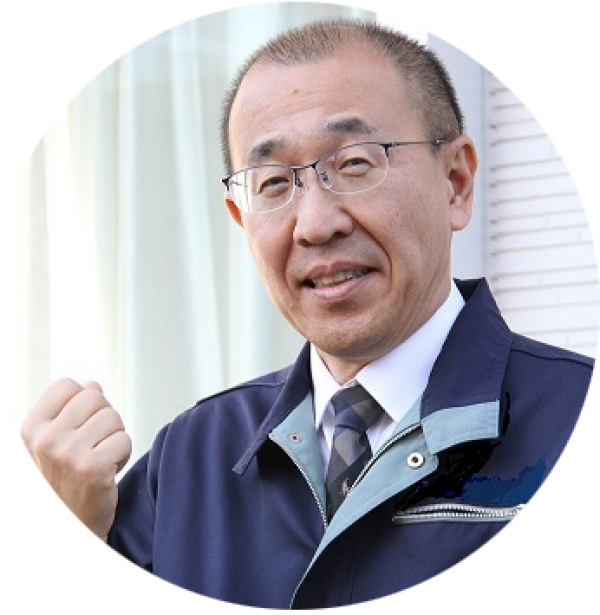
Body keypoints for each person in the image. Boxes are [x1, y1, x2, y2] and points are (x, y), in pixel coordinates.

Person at [21, 19, 593, 609]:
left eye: (354, 164)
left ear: (455, 182)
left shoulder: (575, 424)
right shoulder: (188, 461)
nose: (315, 225)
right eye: (272, 183)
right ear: (241, 219)